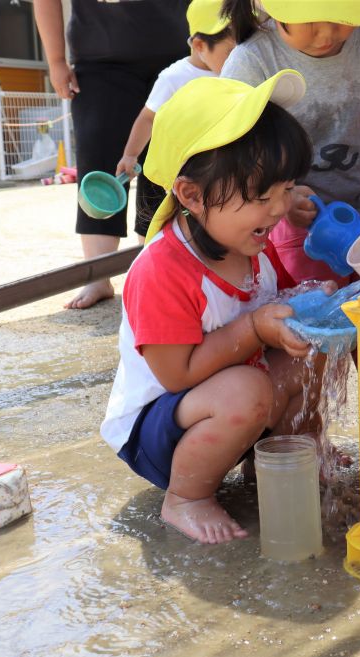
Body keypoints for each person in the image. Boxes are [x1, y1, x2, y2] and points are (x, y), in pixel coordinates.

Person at [101, 70, 327, 544]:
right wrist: (253, 329)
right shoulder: (162, 269)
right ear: (191, 195)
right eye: (262, 196)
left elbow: (278, 305)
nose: (279, 208)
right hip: (159, 431)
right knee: (247, 389)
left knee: (307, 350)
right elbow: (177, 376)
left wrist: (311, 307)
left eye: (286, 189)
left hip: (225, 402)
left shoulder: (251, 244)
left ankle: (291, 455)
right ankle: (186, 497)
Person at [218, 0, 360, 285]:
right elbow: (238, 155)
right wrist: (286, 197)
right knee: (318, 313)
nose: (325, 36)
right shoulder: (254, 60)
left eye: (339, 21)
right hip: (296, 226)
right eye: (309, 23)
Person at [33, 0, 189, 310]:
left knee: (165, 164)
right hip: (100, 56)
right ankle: (98, 274)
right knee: (99, 158)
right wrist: (55, 60)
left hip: (179, 50)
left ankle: (157, 265)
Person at [115, 0, 236, 179]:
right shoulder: (174, 78)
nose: (238, 57)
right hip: (186, 173)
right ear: (200, 45)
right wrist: (130, 155)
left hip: (229, 167)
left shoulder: (239, 72)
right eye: (230, 52)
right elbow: (148, 118)